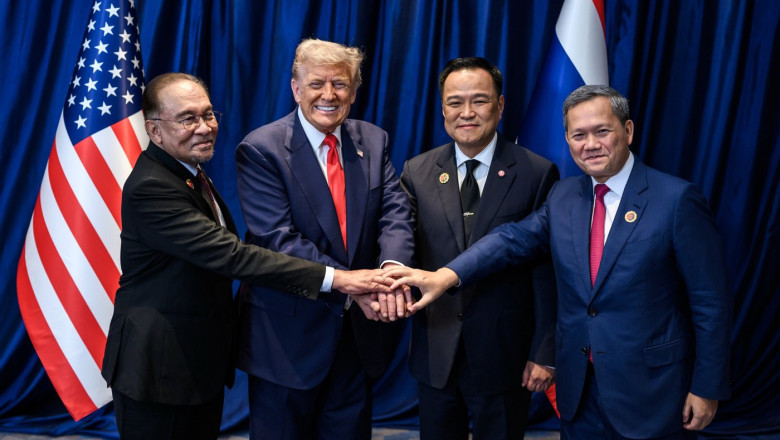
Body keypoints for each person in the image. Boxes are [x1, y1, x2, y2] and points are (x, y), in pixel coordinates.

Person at [386, 85, 731, 440]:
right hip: (578, 391)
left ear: (627, 131)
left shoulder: (676, 199)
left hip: (651, 391)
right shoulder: (564, 196)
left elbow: (710, 304)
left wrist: (707, 387)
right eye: (578, 135)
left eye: (602, 131)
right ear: (567, 139)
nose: (590, 144)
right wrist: (447, 275)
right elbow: (510, 239)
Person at [101, 73, 389, 440]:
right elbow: (235, 257)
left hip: (196, 365)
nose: (204, 128)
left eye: (208, 114)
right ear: (154, 131)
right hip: (160, 367)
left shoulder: (190, 174)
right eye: (188, 118)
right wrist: (341, 279)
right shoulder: (153, 187)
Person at [234, 39, 415, 440]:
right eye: (317, 83)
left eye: (341, 84)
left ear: (354, 90)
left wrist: (391, 272)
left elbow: (395, 213)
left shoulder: (373, 139)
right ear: (296, 89)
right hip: (288, 340)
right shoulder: (261, 149)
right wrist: (354, 286)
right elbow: (277, 239)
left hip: (356, 338)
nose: (329, 95)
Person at [399, 57, 559, 440]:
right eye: (455, 102)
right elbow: (402, 245)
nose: (466, 113)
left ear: (500, 106)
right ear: (442, 109)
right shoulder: (417, 171)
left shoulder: (538, 172)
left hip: (506, 355)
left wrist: (544, 350)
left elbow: (548, 272)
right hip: (436, 349)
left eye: (480, 101)